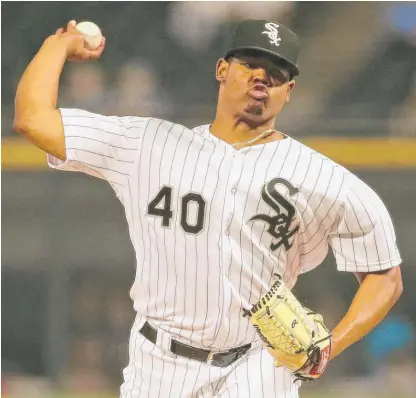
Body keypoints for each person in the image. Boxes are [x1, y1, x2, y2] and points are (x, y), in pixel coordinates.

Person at [13, 19, 403, 398]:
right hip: (159, 363)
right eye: (250, 63)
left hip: (258, 363)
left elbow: (385, 276)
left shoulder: (321, 178)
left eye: (276, 73)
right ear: (221, 69)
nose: (261, 78)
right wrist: (58, 45)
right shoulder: (149, 144)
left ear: (289, 91)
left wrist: (331, 346)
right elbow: (33, 119)